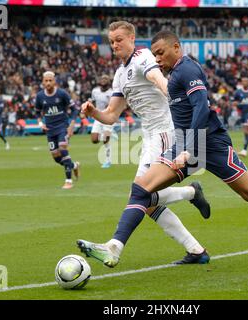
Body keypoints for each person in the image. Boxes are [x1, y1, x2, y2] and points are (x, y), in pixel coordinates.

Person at [77, 30, 248, 268]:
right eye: (155, 54)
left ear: (177, 48)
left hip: (209, 142)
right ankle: (115, 247)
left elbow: (201, 108)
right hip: (184, 143)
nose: (157, 59)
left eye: (161, 53)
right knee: (141, 190)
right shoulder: (165, 74)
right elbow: (122, 109)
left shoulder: (187, 70)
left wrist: (188, 150)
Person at [78, 21, 211, 267]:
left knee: (139, 195)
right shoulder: (119, 74)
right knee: (146, 203)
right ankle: (196, 247)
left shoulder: (143, 57)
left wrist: (173, 97)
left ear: (131, 38)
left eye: (119, 39)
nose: (115, 44)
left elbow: (159, 80)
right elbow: (110, 115)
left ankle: (114, 247)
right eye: (111, 41)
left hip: (165, 132)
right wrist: (93, 111)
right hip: (150, 136)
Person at [35, 71, 80, 190]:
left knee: (62, 149)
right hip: (50, 130)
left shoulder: (62, 94)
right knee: (56, 157)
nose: (48, 83)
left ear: (54, 82)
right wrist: (40, 123)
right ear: (43, 82)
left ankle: (68, 181)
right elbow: (37, 111)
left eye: (50, 80)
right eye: (46, 81)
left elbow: (74, 109)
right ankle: (74, 165)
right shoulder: (40, 96)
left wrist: (71, 125)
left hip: (62, 127)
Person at [89, 74, 114, 168]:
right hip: (98, 116)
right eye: (102, 78)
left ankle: (108, 161)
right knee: (94, 140)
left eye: (106, 79)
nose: (103, 80)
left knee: (106, 139)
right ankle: (105, 135)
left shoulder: (112, 93)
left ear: (109, 82)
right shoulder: (95, 91)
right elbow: (93, 102)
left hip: (108, 116)